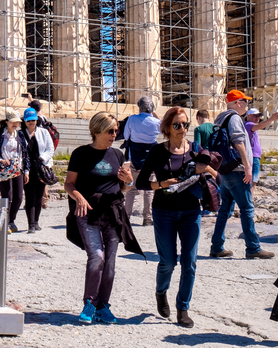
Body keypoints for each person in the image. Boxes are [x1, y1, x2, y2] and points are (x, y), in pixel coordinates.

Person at [137, 106, 218, 327]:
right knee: (168, 261)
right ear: (167, 128)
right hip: (164, 211)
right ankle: (161, 292)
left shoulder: (195, 149)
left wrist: (207, 169)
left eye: (186, 125)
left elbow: (217, 177)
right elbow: (141, 182)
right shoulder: (157, 151)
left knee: (189, 262)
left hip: (191, 210)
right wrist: (162, 184)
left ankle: (183, 308)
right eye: (177, 125)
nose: (183, 129)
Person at [64, 111, 143, 324]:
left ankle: (102, 306)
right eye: (110, 131)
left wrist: (128, 182)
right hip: (87, 211)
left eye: (116, 131)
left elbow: (123, 189)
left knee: (110, 261)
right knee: (96, 256)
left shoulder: (117, 155)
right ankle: (89, 303)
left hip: (112, 212)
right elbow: (69, 183)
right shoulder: (80, 154)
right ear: (96, 130)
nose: (114, 134)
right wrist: (78, 197)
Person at [209, 90, 274, 259]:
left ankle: (217, 246)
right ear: (238, 103)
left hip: (225, 169)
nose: (247, 105)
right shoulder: (235, 118)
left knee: (225, 210)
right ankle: (253, 247)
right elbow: (238, 141)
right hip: (237, 169)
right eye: (245, 102)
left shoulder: (220, 119)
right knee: (246, 208)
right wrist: (247, 166)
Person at [122, 95, 161, 226]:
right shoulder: (156, 122)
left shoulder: (132, 119)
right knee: (149, 189)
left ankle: (126, 216)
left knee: (131, 188)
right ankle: (147, 218)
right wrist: (155, 116)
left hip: (134, 157)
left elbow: (126, 136)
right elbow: (164, 130)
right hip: (151, 158)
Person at [0, 111, 29, 233]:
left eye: (17, 122)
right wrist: (1, 160)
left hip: (17, 168)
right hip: (3, 168)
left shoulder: (20, 135)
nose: (15, 124)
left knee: (19, 197)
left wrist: (26, 170)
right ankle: (3, 223)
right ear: (7, 122)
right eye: (13, 122)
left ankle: (11, 220)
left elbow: (25, 153)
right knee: (7, 196)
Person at [19, 107, 55, 233]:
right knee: (29, 196)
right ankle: (31, 225)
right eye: (28, 120)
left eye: (33, 120)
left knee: (39, 196)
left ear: (36, 120)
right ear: (24, 121)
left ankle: (36, 221)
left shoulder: (44, 132)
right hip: (26, 169)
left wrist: (42, 158)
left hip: (41, 167)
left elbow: (50, 148)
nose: (31, 122)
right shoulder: (20, 134)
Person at [29, 99, 59, 209]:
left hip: (41, 153)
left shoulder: (37, 120)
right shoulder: (44, 117)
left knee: (40, 178)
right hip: (44, 154)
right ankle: (43, 200)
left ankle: (41, 200)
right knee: (42, 178)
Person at [245, 107, 278, 183]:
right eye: (255, 116)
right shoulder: (248, 124)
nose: (257, 118)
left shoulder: (250, 126)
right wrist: (271, 119)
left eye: (258, 116)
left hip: (254, 156)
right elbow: (260, 126)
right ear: (248, 116)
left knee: (253, 182)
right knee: (252, 182)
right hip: (252, 156)